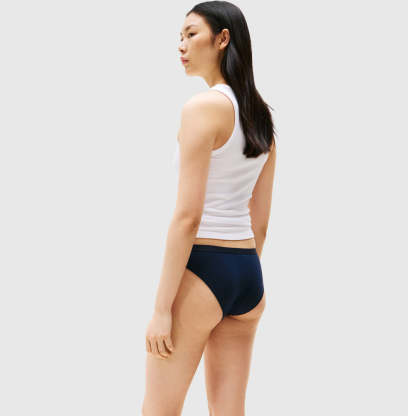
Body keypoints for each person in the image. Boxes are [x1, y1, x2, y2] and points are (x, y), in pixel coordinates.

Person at [142, 1, 277, 415]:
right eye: (180, 37)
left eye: (191, 34)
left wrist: (162, 310)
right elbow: (260, 220)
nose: (181, 45)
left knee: (159, 410)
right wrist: (238, 275)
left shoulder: (201, 109)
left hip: (203, 267)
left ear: (222, 39)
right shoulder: (261, 117)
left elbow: (188, 218)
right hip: (247, 275)